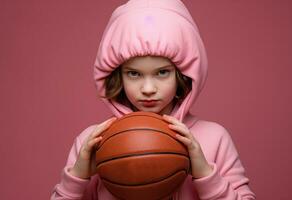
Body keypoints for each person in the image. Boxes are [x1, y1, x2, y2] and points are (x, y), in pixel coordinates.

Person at [51, 0, 256, 199]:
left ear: (182, 73)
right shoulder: (93, 141)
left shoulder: (215, 139)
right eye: (134, 74)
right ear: (116, 75)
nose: (148, 89)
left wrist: (204, 172)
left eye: (162, 73)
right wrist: (78, 175)